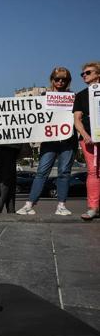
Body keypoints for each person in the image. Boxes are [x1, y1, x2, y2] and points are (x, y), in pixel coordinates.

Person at [17, 68, 77, 216]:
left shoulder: (73, 97)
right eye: (57, 79)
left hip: (68, 140)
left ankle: (61, 205)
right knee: (41, 172)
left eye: (64, 79)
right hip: (49, 141)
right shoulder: (44, 96)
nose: (60, 82)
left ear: (68, 81)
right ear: (52, 80)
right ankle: (29, 204)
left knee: (64, 172)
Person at [73, 62, 100, 220]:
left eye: (88, 72)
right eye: (82, 74)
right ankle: (92, 207)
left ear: (98, 74)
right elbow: (77, 119)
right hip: (89, 139)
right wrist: (85, 135)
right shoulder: (81, 95)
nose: (84, 75)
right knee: (93, 172)